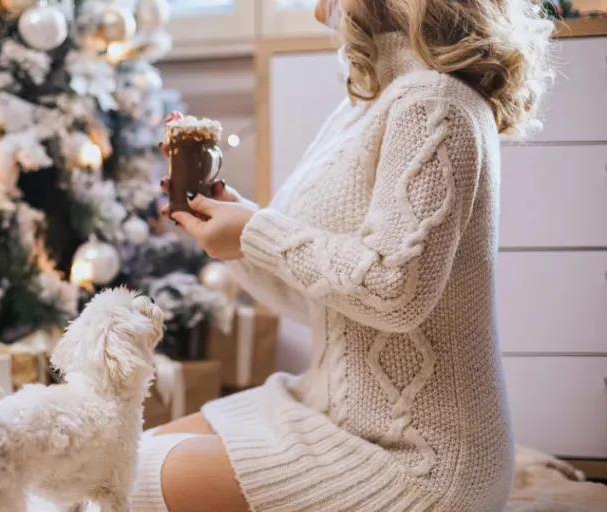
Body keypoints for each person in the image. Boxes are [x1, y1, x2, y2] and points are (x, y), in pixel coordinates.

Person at [132, 0, 555, 511]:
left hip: (416, 461)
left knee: (129, 484)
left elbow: (393, 292)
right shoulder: (365, 103)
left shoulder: (435, 102)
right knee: (123, 459)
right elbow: (309, 298)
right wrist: (237, 234)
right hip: (324, 409)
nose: (315, 9)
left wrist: (258, 231)